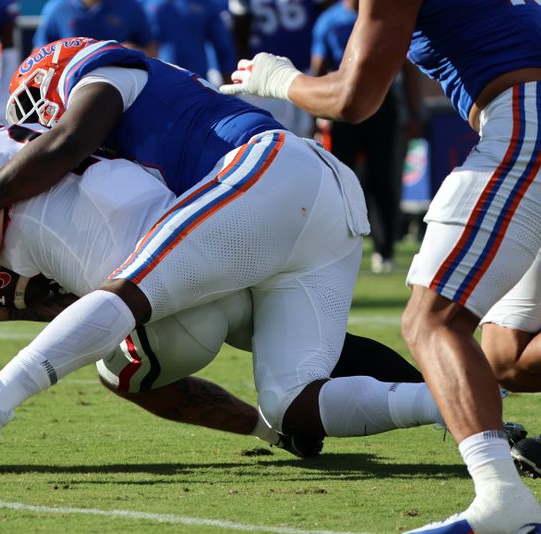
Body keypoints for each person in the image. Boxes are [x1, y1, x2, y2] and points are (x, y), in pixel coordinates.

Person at [0, 75, 445, 458]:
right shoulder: (42, 139)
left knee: (120, 366)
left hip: (171, 297)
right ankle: (450, 400)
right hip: (216, 249)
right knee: (297, 377)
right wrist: (35, 303)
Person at [219, 0, 541, 530]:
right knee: (508, 355)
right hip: (523, 110)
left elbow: (352, 99)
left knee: (432, 320)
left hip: (526, 117)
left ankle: (503, 502)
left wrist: (279, 79)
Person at [309, 0, 402, 274]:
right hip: (343, 101)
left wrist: (415, 111)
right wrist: (315, 110)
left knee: (381, 177)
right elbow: (319, 66)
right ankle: (338, 246)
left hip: (382, 99)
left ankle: (385, 249)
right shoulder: (330, 20)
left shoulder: (387, 11)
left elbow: (404, 64)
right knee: (341, 178)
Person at [229, 0, 328, 137]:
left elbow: (325, 15)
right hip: (266, 74)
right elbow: (239, 30)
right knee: (271, 134)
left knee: (305, 135)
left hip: (304, 69)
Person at [142, 0, 236, 83]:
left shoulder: (206, 4)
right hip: (158, 83)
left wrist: (230, 88)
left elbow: (223, 48)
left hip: (197, 83)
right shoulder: (146, 4)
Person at [33, 0, 156, 57]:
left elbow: (152, 49)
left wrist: (135, 51)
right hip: (70, 84)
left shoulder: (130, 7)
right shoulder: (56, 9)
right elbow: (38, 53)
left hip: (122, 83)